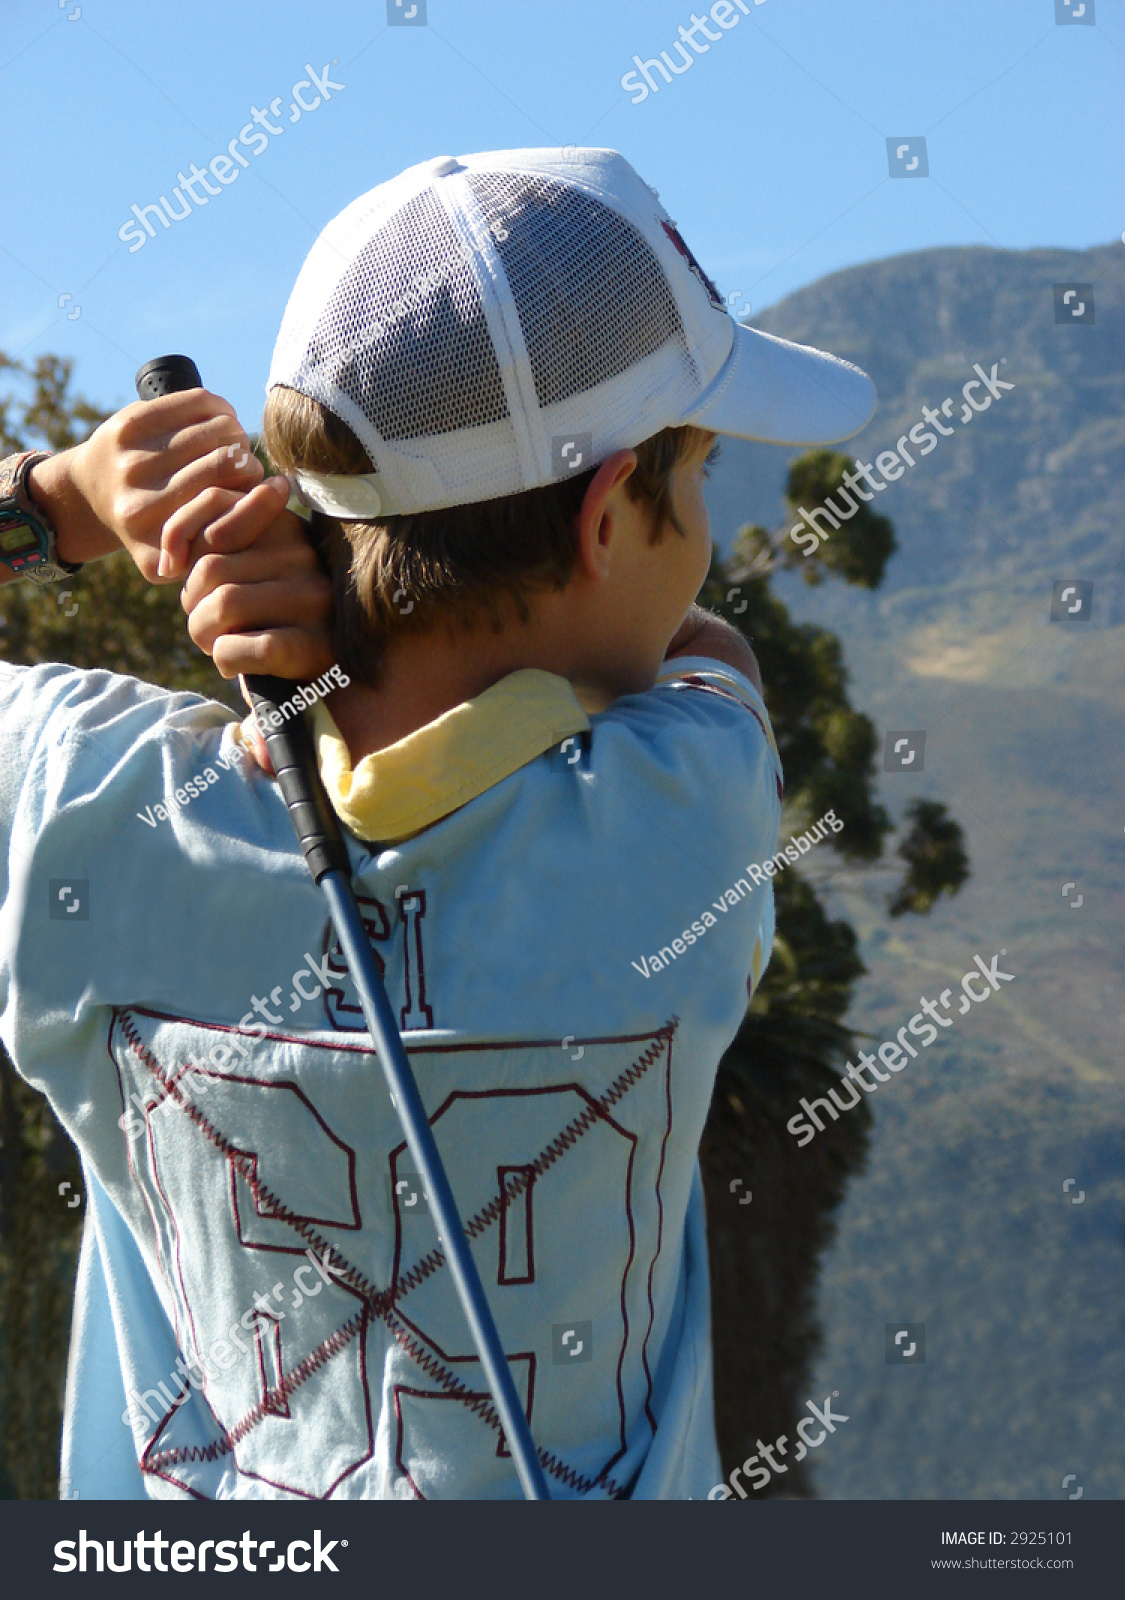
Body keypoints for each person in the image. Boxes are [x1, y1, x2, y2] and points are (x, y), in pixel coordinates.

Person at [0, 147, 873, 1500]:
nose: (701, 533)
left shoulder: (72, 793)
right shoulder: (684, 812)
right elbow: (709, 660)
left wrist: (58, 509)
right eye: (692, 484)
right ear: (602, 519)